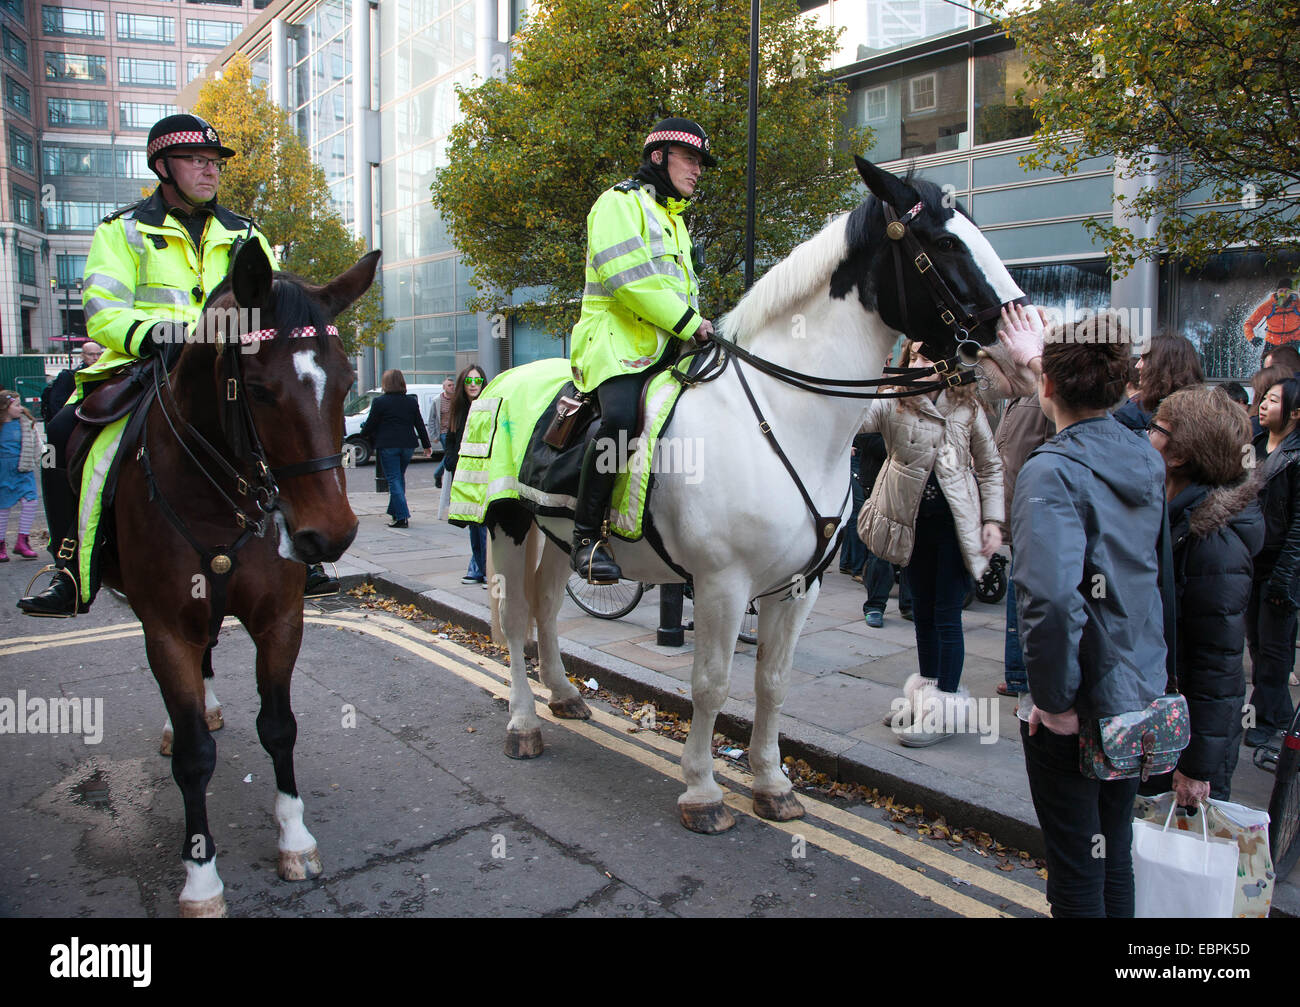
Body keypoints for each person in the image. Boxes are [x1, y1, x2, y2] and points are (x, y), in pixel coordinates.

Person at [15, 114, 337, 615]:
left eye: (214, 164)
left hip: (227, 366)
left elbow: (274, 305)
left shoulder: (245, 233)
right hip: (146, 363)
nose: (210, 172)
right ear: (163, 167)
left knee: (285, 424)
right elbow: (102, 308)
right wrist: (156, 336)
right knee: (59, 435)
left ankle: (302, 553)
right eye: (196, 161)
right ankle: (70, 568)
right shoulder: (122, 231)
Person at [999, 303, 1166, 918]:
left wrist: (1054, 701)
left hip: (1078, 700)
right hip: (1134, 687)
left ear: (1044, 385)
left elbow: (1049, 599)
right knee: (1111, 850)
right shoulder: (1145, 456)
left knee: (1075, 868)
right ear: (1124, 387)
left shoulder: (1052, 470)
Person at [567, 117, 717, 583]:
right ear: (659, 157)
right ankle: (587, 537)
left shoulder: (675, 222)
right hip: (616, 343)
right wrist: (691, 324)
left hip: (671, 346)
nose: (697, 170)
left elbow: (681, 290)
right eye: (690, 159)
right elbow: (630, 281)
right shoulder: (618, 203)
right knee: (620, 421)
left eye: (699, 163)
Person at [858, 340, 1004, 746]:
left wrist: (993, 520)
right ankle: (925, 698)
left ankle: (942, 710)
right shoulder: (894, 401)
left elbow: (991, 465)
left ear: (948, 365)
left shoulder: (967, 406)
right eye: (917, 356)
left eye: (931, 356)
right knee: (921, 612)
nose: (923, 362)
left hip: (955, 528)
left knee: (946, 615)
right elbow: (856, 419)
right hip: (911, 525)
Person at [1143, 386, 1262, 802]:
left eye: (1157, 428)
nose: (1146, 434)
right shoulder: (1172, 515)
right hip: (1164, 730)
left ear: (1178, 456)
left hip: (1184, 751)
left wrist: (1196, 768)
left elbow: (1219, 668)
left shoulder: (1213, 545)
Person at [1245, 374, 1300, 747]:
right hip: (1252, 560)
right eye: (1264, 398)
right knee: (1258, 645)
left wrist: (1286, 576)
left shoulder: (1296, 456)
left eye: (1274, 401)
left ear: (1295, 413)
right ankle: (1279, 716)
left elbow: (1297, 526)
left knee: (1276, 648)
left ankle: (1265, 721)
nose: (1263, 404)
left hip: (1281, 564)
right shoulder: (1256, 444)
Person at [993, 391, 1054, 697]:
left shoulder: (1038, 398)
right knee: (1019, 596)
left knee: (1028, 599)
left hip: (1033, 515)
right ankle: (1018, 675)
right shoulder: (1016, 398)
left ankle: (1026, 681)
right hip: (1017, 511)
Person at [361, 369, 432, 529]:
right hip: (407, 445)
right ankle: (395, 512)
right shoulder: (411, 401)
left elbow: (371, 424)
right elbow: (419, 424)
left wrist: (363, 434)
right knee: (399, 478)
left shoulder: (380, 402)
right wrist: (426, 445)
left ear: (385, 383)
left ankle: (402, 516)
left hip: (388, 445)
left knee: (393, 479)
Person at [445, 364, 488, 585]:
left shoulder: (489, 405)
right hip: (464, 474)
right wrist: (450, 460)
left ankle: (482, 568)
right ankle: (478, 567)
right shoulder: (458, 409)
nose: (473, 384)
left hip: (485, 473)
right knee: (473, 523)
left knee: (483, 523)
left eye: (478, 380)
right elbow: (451, 439)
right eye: (469, 381)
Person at [1112, 329, 1204, 433]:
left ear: (1163, 367)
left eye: (1144, 359)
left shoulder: (1131, 416)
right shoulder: (1207, 413)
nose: (1137, 365)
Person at [0, 390, 41, 562]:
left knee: (31, 501)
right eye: (16, 405)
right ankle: (1, 544)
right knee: (3, 508)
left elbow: (37, 444)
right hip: (3, 470)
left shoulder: (26, 423)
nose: (20, 408)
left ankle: (22, 541)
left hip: (23, 469)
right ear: (4, 408)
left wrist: (45, 462)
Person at [42, 340, 102, 423]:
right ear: (82, 355)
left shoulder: (105, 375)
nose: (95, 358)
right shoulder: (68, 376)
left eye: (99, 354)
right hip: (71, 422)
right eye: (91, 354)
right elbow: (56, 405)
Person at [838, 434, 869, 581]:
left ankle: (847, 562)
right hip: (857, 456)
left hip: (860, 455)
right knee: (858, 513)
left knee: (855, 513)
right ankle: (857, 568)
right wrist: (845, 444)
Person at [1244, 278, 1300, 356]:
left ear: (1291, 293)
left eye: (1286, 291)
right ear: (1277, 292)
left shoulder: (1297, 304)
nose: (1283, 294)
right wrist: (1252, 338)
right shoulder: (1268, 306)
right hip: (1272, 342)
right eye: (1281, 291)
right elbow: (1249, 323)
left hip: (1293, 341)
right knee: (1265, 365)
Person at [430, 377, 455, 489]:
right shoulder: (437, 401)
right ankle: (438, 474)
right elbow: (432, 418)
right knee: (450, 454)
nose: (452, 387)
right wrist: (434, 435)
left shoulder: (456, 399)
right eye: (449, 385)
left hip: (455, 431)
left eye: (452, 385)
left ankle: (438, 474)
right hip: (444, 432)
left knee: (449, 455)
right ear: (444, 387)